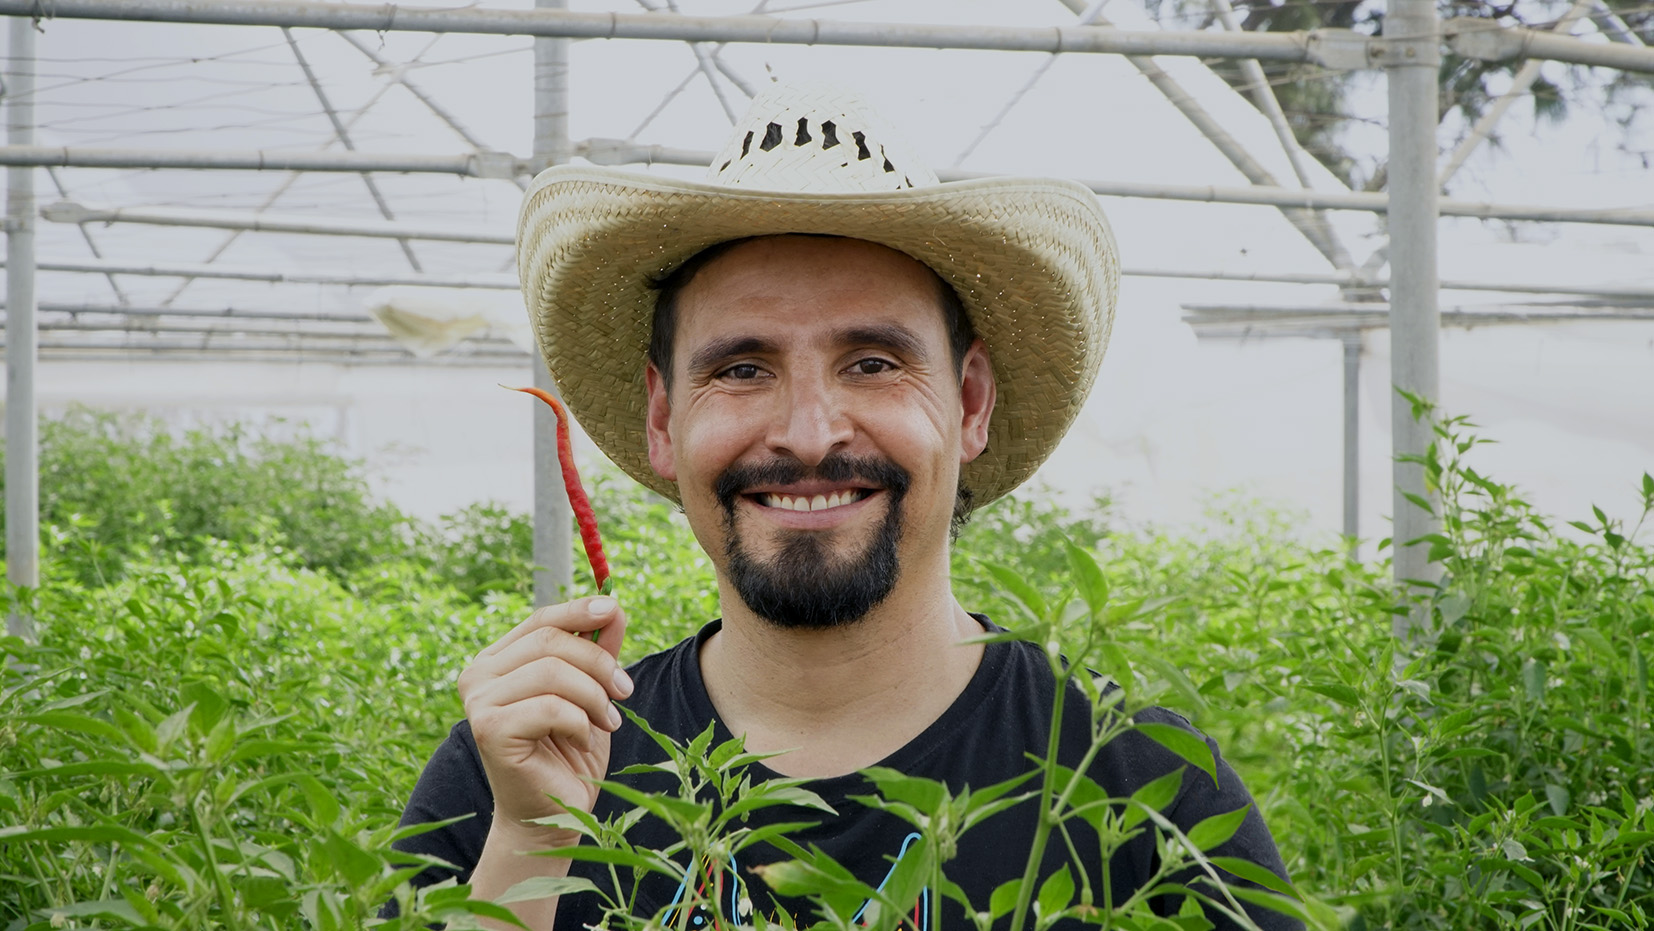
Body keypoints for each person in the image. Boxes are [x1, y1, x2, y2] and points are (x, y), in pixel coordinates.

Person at [391, 83, 1301, 931]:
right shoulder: (518, 770)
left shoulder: (1140, 787)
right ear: (663, 419)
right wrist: (530, 845)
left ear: (969, 403)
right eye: (741, 368)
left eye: (872, 362)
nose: (809, 433)